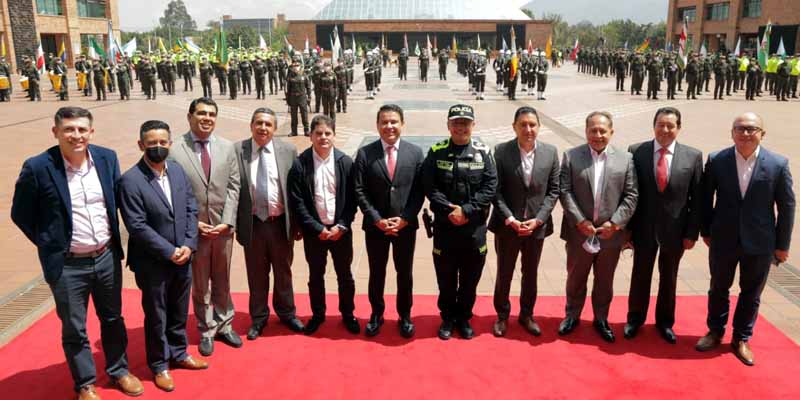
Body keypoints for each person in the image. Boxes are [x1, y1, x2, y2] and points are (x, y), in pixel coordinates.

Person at [11, 107, 144, 400]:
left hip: (106, 257)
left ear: (91, 132)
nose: (76, 135)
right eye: (69, 129)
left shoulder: (107, 158)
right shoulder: (38, 167)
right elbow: (20, 214)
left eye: (82, 129)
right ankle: (85, 383)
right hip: (68, 265)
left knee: (113, 318)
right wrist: (50, 243)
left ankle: (119, 370)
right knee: (74, 327)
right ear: (55, 132)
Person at [696, 112, 795, 366]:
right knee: (718, 288)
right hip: (723, 239)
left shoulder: (778, 164)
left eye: (752, 128)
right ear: (732, 133)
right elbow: (706, 199)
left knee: (751, 293)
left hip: (761, 242)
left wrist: (782, 245)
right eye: (740, 128)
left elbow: (787, 206)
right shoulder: (717, 160)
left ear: (762, 133)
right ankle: (715, 331)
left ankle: (741, 338)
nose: (745, 133)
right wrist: (706, 230)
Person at [118, 120, 209, 392]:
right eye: (151, 143)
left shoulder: (177, 171)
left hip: (184, 256)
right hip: (153, 262)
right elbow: (136, 226)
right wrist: (169, 251)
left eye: (162, 143)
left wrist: (189, 245)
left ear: (170, 143)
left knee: (179, 310)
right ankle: (159, 364)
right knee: (157, 314)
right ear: (141, 145)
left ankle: (179, 353)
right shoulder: (131, 180)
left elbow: (191, 209)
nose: (157, 147)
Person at [168, 97, 242, 356]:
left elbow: (234, 186)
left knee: (222, 279)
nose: (207, 118)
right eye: (201, 113)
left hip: (223, 230)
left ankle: (225, 324)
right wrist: (192, 223)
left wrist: (227, 221)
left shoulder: (227, 147)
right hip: (194, 230)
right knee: (201, 284)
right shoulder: (175, 149)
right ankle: (206, 329)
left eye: (211, 114)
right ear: (190, 117)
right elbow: (173, 191)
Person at [624, 107, 703, 344]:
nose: (665, 130)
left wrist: (692, 233)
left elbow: (697, 199)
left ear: (679, 128)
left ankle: (665, 322)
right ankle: (634, 319)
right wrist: (626, 230)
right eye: (661, 124)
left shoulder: (693, 156)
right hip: (643, 228)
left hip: (675, 231)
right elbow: (629, 193)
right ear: (654, 125)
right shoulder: (636, 152)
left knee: (669, 277)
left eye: (670, 126)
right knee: (640, 274)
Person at [558, 111, 638, 343]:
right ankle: (571, 316)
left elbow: (631, 195)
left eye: (603, 130)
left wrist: (615, 223)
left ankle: (601, 318)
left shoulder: (625, 159)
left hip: (610, 235)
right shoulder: (572, 156)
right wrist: (579, 221)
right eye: (593, 130)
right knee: (576, 277)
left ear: (611, 132)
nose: (598, 135)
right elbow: (565, 191)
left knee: (605, 280)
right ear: (586, 132)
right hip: (579, 233)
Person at [422, 104, 497, 340]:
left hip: (474, 230)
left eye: (465, 122)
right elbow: (429, 186)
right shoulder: (437, 151)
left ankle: (464, 317)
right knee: (445, 278)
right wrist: (449, 211)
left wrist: (465, 210)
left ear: (473, 125)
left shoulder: (484, 152)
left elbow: (490, 186)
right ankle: (447, 317)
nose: (460, 127)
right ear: (448, 125)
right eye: (456, 122)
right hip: (445, 228)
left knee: (469, 279)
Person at [354, 104, 425, 338]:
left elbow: (419, 191)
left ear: (402, 124)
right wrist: (376, 219)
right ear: (377, 125)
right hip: (376, 227)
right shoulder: (365, 153)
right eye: (384, 122)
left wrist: (406, 218)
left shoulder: (415, 153)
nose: (389, 126)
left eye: (394, 121)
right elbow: (359, 190)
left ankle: (405, 315)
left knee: (405, 273)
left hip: (405, 226)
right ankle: (377, 313)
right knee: (377, 272)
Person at [234, 108, 305, 340]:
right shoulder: (238, 150)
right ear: (251, 125)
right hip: (253, 223)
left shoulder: (288, 150)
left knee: (283, 271)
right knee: (256, 273)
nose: (263, 128)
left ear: (274, 128)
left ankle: (286, 312)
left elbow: (296, 190)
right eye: (259, 123)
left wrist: (298, 223)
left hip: (279, 223)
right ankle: (259, 317)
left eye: (268, 124)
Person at [489, 107, 560, 337]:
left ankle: (527, 314)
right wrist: (510, 219)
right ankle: (501, 316)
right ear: (514, 127)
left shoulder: (550, 153)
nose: (528, 129)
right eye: (523, 125)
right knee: (504, 272)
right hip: (507, 226)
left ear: (539, 126)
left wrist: (539, 220)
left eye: (532, 125)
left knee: (531, 273)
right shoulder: (501, 152)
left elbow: (554, 190)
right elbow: (495, 190)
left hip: (535, 228)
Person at [288, 115, 360, 336]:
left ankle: (348, 314)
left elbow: (352, 199)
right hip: (315, 233)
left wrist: (343, 225)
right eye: (318, 133)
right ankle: (318, 314)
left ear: (334, 135)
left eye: (327, 133)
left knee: (344, 275)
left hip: (340, 232)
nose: (323, 137)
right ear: (310, 136)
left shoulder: (345, 163)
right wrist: (316, 228)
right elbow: (297, 202)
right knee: (315, 275)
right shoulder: (300, 164)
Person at [285, 59, 311, 136]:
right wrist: (288, 99)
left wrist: (309, 97)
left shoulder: (304, 75)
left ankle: (306, 130)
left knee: (304, 115)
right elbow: (288, 89)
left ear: (300, 66)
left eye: (297, 65)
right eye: (294, 66)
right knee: (293, 115)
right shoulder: (290, 76)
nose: (296, 67)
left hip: (302, 97)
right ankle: (294, 131)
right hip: (293, 97)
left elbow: (308, 87)